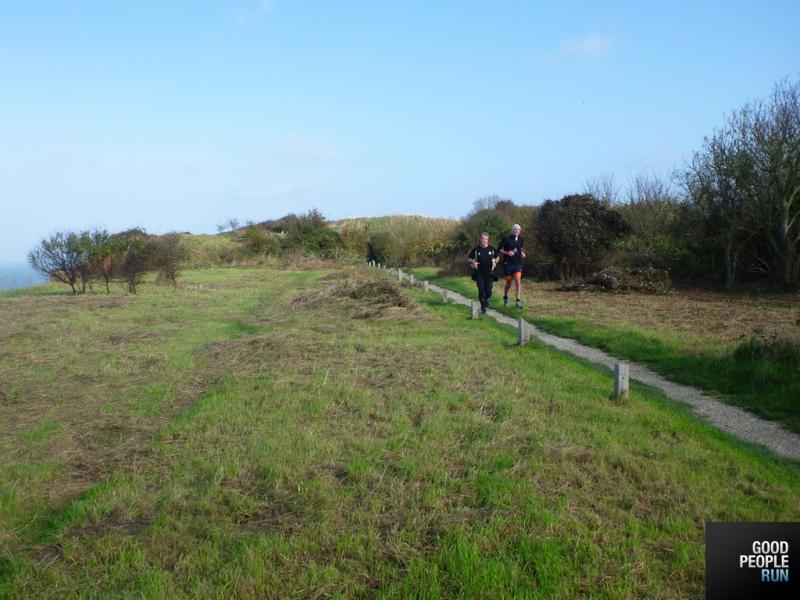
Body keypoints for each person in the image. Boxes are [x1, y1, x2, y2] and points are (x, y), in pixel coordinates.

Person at [468, 232, 498, 314]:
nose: (484, 240)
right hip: (479, 273)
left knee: (488, 292)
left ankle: (486, 299)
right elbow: (469, 258)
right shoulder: (476, 249)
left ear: (488, 240)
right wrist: (473, 262)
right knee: (481, 290)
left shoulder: (492, 249)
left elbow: (497, 257)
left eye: (486, 239)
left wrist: (495, 262)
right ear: (480, 239)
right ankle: (483, 307)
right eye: (483, 238)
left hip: (489, 273)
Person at [498, 223, 526, 308]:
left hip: (517, 263)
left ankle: (518, 301)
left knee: (518, 281)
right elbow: (499, 249)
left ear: (520, 231)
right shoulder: (506, 239)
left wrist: (522, 253)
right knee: (509, 283)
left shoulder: (521, 239)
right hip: (508, 264)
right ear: (512, 230)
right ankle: (506, 297)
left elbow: (520, 248)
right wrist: (507, 252)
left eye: (518, 229)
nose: (516, 230)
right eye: (515, 229)